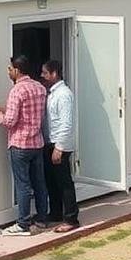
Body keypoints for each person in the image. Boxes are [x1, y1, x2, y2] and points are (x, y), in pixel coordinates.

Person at [0, 55, 49, 236]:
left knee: (23, 185)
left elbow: (9, 122)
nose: (8, 72)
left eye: (9, 69)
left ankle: (22, 224)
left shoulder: (17, 91)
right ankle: (41, 219)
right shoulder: (40, 88)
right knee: (39, 183)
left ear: (16, 70)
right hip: (37, 143)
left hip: (20, 144)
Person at [41, 59, 79, 232]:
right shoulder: (51, 93)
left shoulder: (64, 94)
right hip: (50, 143)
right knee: (52, 181)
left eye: (45, 73)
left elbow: (67, 123)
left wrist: (59, 147)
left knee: (64, 182)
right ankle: (56, 213)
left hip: (59, 145)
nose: (43, 76)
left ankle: (71, 219)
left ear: (54, 73)